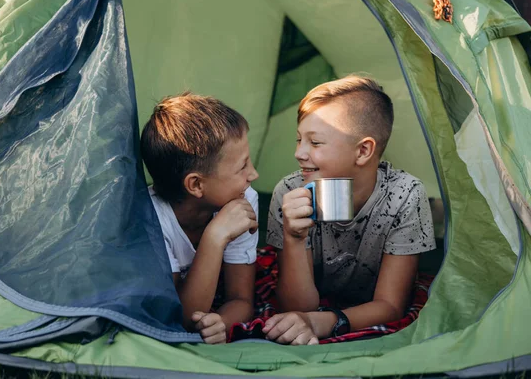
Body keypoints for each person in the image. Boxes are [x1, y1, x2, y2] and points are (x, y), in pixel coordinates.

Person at [262, 75, 436, 345]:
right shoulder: (289, 192)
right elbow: (294, 308)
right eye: (299, 140)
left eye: (315, 142)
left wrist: (323, 321)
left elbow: (391, 306)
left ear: (364, 151)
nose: (299, 153)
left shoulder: (405, 195)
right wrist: (293, 239)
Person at [140, 92, 260, 344]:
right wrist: (215, 237)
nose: (254, 175)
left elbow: (241, 299)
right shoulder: (150, 221)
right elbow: (181, 317)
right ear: (195, 184)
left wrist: (222, 322)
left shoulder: (243, 199)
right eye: (242, 167)